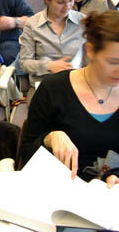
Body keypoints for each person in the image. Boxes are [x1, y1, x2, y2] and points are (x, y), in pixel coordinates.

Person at [21, 10, 119, 182]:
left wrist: (114, 175)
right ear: (90, 51)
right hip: (61, 189)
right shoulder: (54, 89)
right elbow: (26, 153)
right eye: (113, 62)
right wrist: (49, 138)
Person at [19, 0, 86, 101]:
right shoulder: (32, 25)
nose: (67, 6)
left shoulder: (83, 22)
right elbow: (25, 63)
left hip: (76, 86)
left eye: (71, 0)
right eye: (61, 2)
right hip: (44, 87)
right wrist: (49, 66)